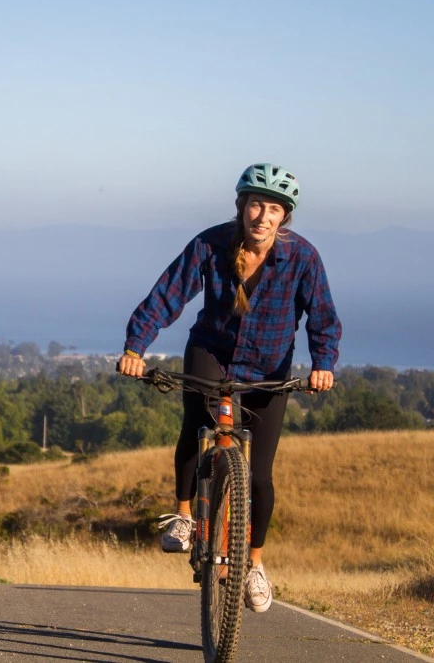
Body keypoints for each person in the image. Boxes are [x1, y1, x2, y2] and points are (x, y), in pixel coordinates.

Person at [116, 162, 341, 613]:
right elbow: (167, 295)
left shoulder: (303, 258)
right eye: (257, 204)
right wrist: (136, 347)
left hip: (269, 369)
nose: (263, 216)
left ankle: (253, 564)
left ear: (285, 217)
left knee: (259, 476)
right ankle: (184, 516)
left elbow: (322, 316)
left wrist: (323, 364)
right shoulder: (211, 243)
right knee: (195, 423)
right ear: (242, 207)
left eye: (275, 209)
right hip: (212, 354)